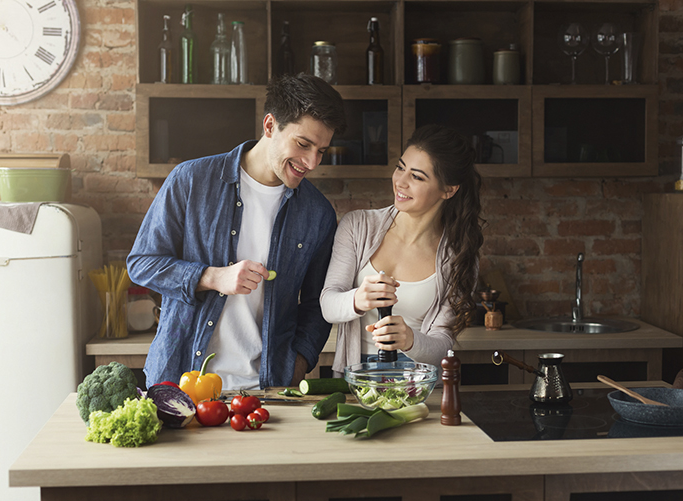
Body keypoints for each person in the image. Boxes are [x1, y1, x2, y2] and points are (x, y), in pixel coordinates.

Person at [128, 73, 347, 390]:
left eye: (322, 151)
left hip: (268, 390)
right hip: (181, 384)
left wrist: (297, 366)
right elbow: (142, 264)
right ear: (270, 126)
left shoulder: (318, 213)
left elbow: (317, 307)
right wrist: (212, 277)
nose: (312, 162)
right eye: (303, 144)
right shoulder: (191, 180)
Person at [320, 124, 483, 375]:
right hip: (355, 378)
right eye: (400, 168)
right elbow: (328, 304)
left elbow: (443, 344)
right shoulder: (358, 226)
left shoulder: (459, 255)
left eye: (417, 176)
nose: (400, 182)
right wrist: (358, 298)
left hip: (418, 385)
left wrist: (409, 339)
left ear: (448, 190)